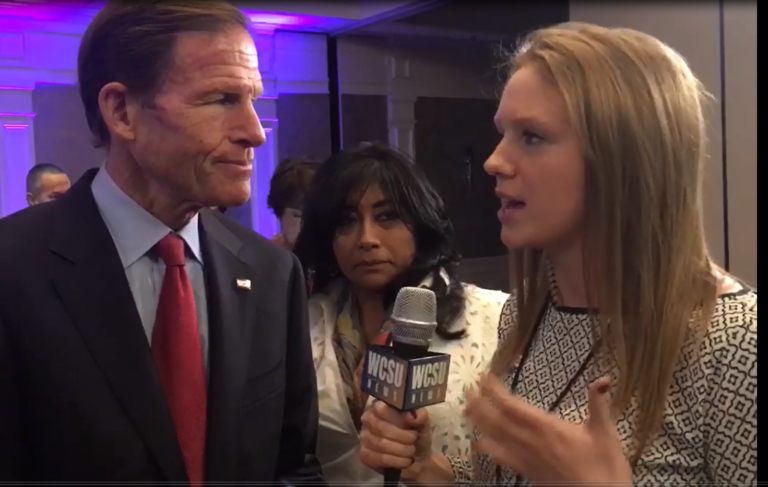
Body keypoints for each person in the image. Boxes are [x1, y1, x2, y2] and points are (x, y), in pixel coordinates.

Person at [357, 22, 757, 486]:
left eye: (531, 137)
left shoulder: (737, 342)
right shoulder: (525, 316)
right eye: (503, 133)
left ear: (621, 158)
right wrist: (432, 471)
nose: (494, 161)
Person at [0, 2, 324, 484]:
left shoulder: (273, 274)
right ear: (121, 111)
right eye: (220, 99)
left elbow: (294, 468)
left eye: (252, 99)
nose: (255, 132)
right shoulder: (12, 269)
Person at [292, 143, 509, 486]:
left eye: (386, 216)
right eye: (346, 221)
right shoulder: (304, 324)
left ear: (419, 225)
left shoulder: (496, 318)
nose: (366, 239)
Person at [267, 156, 321, 250]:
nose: (306, 224)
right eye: (297, 215)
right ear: (280, 215)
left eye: (314, 214)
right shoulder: (265, 259)